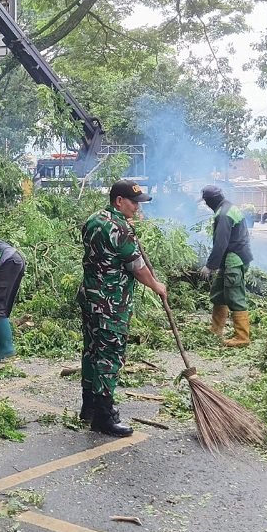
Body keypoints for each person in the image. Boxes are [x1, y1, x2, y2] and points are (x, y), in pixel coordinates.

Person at [78, 179, 167, 437]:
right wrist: (157, 286)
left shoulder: (95, 219)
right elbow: (138, 269)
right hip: (111, 303)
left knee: (92, 351)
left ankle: (90, 408)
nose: (137, 208)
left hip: (90, 297)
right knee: (110, 354)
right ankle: (104, 417)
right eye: (134, 203)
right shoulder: (121, 229)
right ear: (119, 201)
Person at [200, 185, 254, 347]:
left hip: (234, 260)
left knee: (234, 296)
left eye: (206, 201)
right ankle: (216, 330)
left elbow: (220, 244)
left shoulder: (223, 215)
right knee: (219, 294)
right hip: (230, 258)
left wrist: (210, 266)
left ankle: (242, 337)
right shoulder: (228, 208)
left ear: (210, 201)